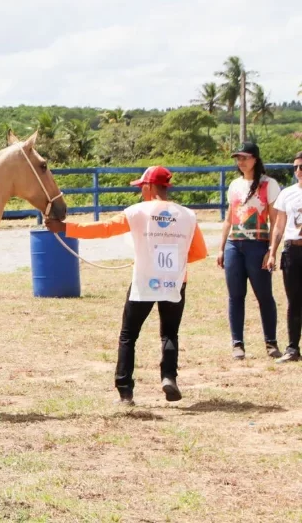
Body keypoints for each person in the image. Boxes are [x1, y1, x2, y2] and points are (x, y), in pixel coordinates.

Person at [45, 166, 208, 406]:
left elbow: (105, 229)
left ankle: (125, 391)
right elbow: (197, 252)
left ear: (149, 188)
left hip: (144, 282)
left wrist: (65, 228)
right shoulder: (187, 216)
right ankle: (169, 377)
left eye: (142, 187)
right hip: (175, 283)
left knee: (128, 336)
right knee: (170, 333)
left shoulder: (137, 212)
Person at [217, 141, 281, 360]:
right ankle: (237, 343)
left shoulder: (269, 184)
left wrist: (271, 250)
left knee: (264, 295)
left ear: (255, 159)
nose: (241, 162)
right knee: (235, 296)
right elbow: (228, 218)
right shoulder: (234, 185)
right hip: (234, 244)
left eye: (245, 157)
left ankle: (270, 342)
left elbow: (275, 221)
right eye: (238, 158)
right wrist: (221, 247)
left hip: (257, 245)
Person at [266, 151, 302, 363]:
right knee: (294, 301)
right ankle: (292, 348)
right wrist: (272, 252)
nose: (298, 171)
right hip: (292, 250)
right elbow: (279, 226)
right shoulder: (287, 194)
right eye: (296, 167)